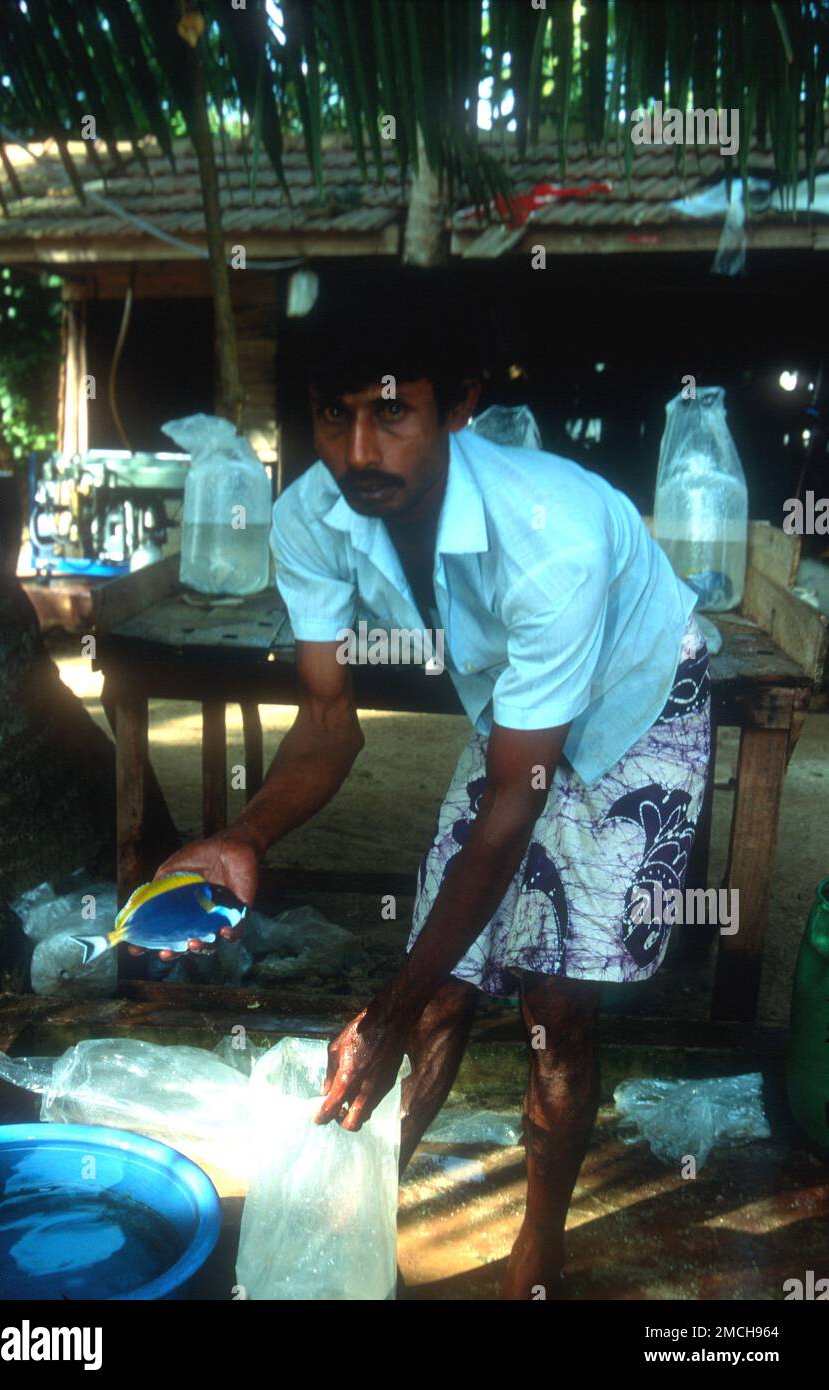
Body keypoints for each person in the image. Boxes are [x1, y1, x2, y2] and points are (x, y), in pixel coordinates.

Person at [155, 270, 712, 1299]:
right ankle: (367, 1185)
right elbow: (328, 727)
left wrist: (388, 1006)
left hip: (637, 699)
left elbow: (514, 805)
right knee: (442, 970)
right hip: (521, 710)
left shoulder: (552, 535)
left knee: (553, 1003)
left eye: (390, 412)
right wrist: (247, 836)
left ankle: (538, 1234)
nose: (359, 451)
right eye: (334, 414)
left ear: (456, 405)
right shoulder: (308, 522)